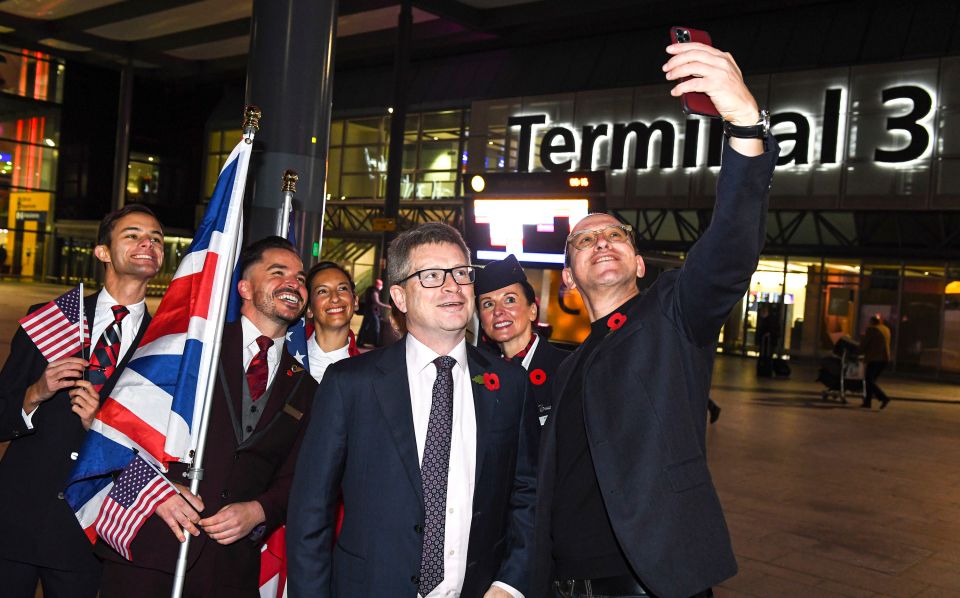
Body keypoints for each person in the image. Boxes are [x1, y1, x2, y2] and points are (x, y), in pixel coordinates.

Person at [530, 41, 779, 598]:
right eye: (584, 240)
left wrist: (744, 124)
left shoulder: (673, 314)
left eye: (615, 233)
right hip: (564, 583)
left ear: (638, 262)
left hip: (649, 581)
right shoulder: (566, 370)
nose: (602, 241)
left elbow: (730, 249)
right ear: (568, 278)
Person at [287, 222, 539, 598]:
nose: (452, 286)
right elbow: (310, 513)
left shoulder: (510, 384)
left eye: (461, 274)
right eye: (432, 276)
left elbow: (528, 495)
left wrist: (509, 583)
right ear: (399, 298)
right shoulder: (350, 384)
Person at [97, 236, 318, 597]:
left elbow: (300, 477)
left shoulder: (307, 388)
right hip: (149, 550)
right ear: (244, 287)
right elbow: (114, 427)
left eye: (300, 278)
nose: (294, 283)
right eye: (278, 273)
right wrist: (153, 492)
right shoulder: (186, 348)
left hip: (229, 572)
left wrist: (259, 511)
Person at [0, 204, 164, 598]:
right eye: (133, 235)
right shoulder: (48, 320)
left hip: (89, 531)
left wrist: (102, 426)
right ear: (103, 252)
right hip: (17, 521)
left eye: (156, 238)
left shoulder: (166, 344)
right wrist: (35, 393)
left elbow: (162, 445)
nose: (148, 243)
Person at [475, 254, 568, 425]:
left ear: (533, 311)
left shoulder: (567, 368)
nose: (498, 311)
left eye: (509, 300)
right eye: (488, 304)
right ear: (481, 321)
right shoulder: (478, 378)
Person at [305, 261, 361, 383]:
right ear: (309, 308)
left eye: (342, 288)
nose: (335, 298)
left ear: (355, 301)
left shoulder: (366, 370)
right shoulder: (286, 355)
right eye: (322, 291)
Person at [860, 315, 891, 410]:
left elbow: (865, 344)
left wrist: (857, 351)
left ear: (872, 322)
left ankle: (883, 398)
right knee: (870, 381)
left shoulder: (872, 330)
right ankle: (867, 402)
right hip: (885, 359)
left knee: (868, 380)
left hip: (875, 358)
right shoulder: (886, 329)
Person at [357, 278, 389, 347]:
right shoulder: (374, 291)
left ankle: (359, 342)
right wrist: (387, 306)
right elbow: (377, 302)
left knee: (364, 327)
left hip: (368, 311)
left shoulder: (370, 289)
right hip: (372, 312)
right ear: (379, 285)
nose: (381, 287)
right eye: (381, 285)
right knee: (376, 327)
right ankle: (376, 343)